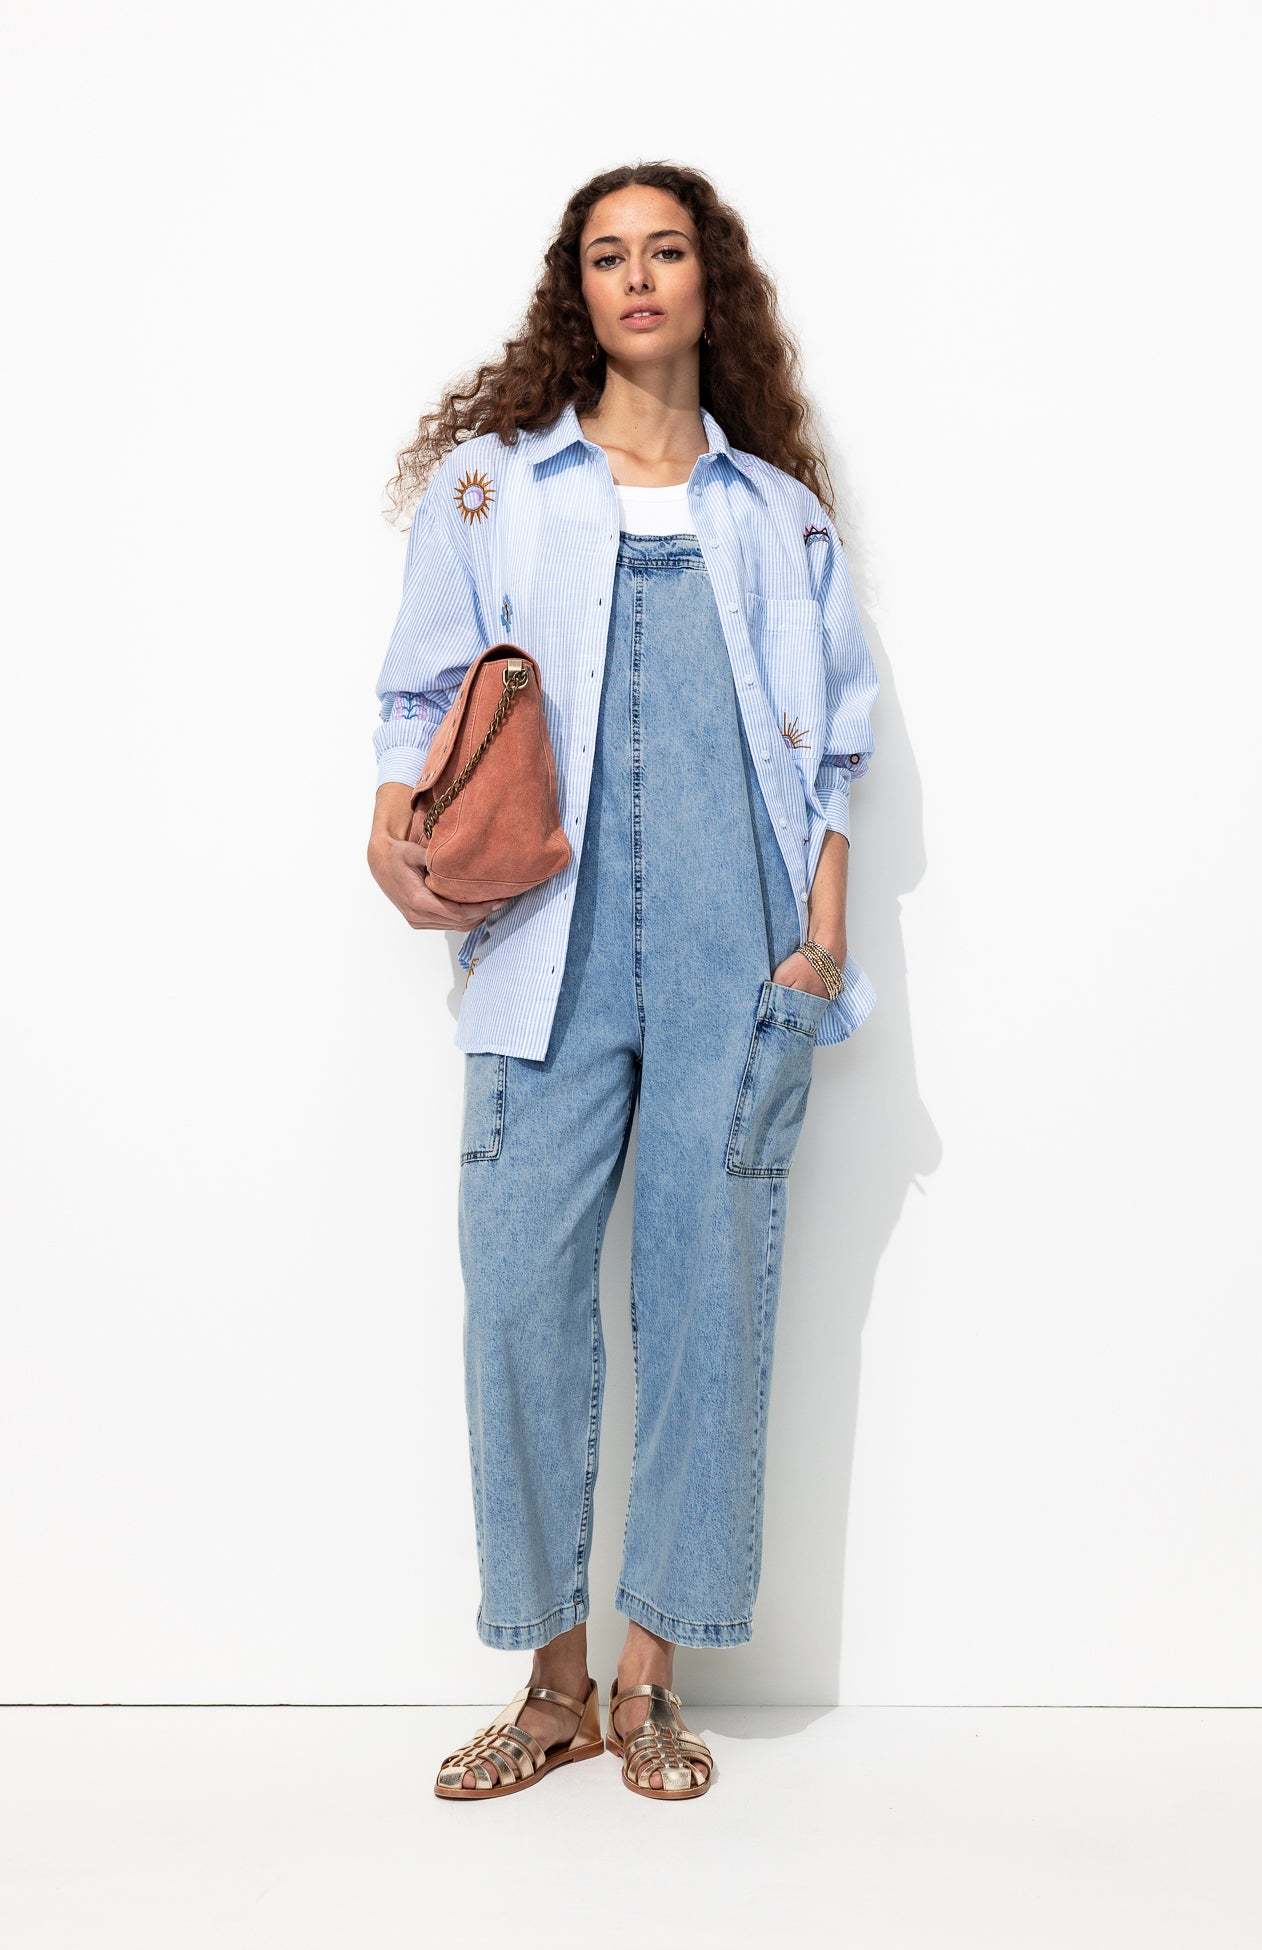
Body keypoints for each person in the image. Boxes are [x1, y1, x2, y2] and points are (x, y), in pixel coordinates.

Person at [367, 163, 880, 1802]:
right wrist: (390, 816)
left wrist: (818, 938)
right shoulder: (495, 489)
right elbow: (420, 696)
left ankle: (650, 1678)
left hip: (745, 926)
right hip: (544, 939)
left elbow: (835, 748)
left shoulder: (777, 513)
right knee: (517, 1286)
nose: (638, 276)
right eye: (608, 254)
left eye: (666, 250)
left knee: (709, 1286)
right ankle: (550, 1685)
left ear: (708, 281)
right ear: (575, 289)